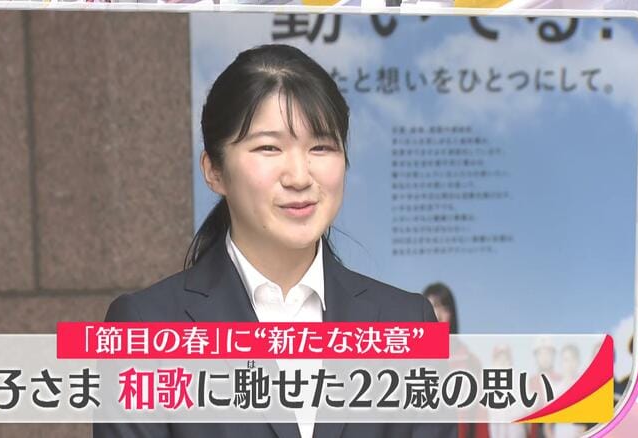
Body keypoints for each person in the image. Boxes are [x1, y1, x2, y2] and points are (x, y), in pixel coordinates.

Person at [95, 44, 456, 438]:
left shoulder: (408, 322)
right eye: (269, 147)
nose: (299, 176)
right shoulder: (145, 326)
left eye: (321, 147)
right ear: (214, 171)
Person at [422, 283, 489, 438]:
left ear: (452, 314)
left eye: (444, 309)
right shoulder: (406, 358)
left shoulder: (470, 362)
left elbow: (480, 419)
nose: (437, 316)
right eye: (431, 308)